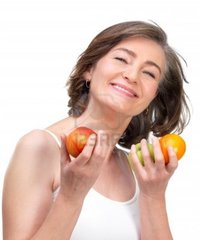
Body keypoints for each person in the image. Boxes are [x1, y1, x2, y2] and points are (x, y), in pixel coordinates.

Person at [2, 21, 190, 240]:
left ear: (153, 95)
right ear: (89, 70)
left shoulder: (137, 169)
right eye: (121, 59)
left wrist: (153, 195)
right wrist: (70, 197)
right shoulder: (40, 147)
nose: (132, 75)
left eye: (149, 73)